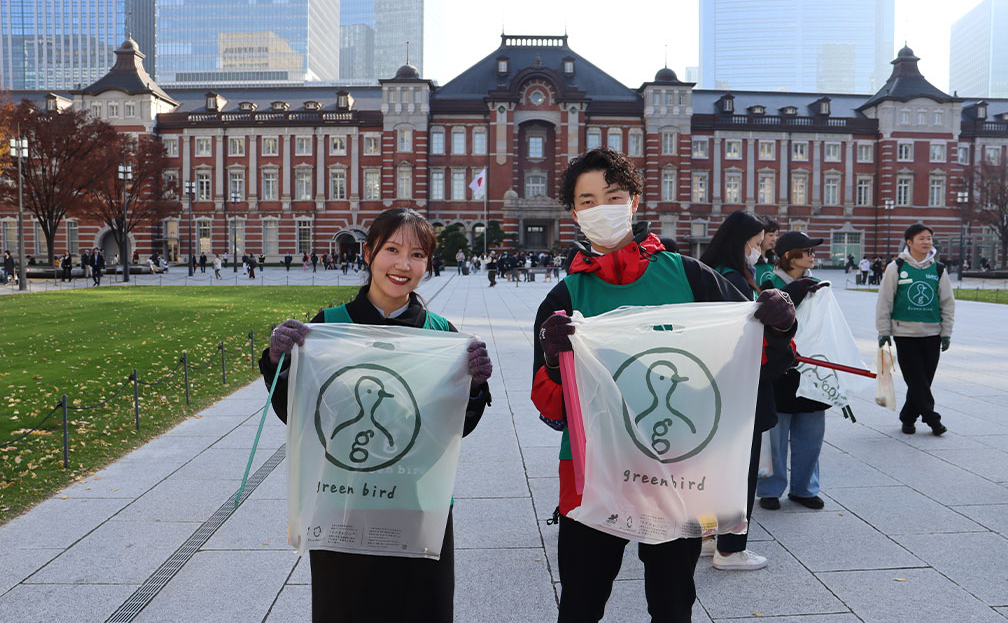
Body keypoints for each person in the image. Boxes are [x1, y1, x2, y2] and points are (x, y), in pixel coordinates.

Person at [532, 149, 797, 622]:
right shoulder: (566, 297)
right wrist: (554, 366)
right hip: (593, 472)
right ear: (573, 213)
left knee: (673, 601)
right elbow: (553, 412)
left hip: (677, 468)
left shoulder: (690, 276)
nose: (601, 209)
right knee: (580, 602)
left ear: (634, 202)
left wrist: (778, 324)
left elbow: (750, 349)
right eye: (587, 200)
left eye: (612, 196)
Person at [260, 208, 493, 623]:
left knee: (422, 608)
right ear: (368, 253)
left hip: (418, 502)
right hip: (343, 499)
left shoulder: (440, 333)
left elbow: (456, 428)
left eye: (418, 254)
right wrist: (279, 360)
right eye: (392, 249)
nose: (404, 265)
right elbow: (295, 413)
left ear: (429, 263)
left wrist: (473, 388)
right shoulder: (328, 328)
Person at [698, 211, 817, 570]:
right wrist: (789, 301)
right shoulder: (733, 278)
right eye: (754, 243)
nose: (758, 250)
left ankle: (706, 535)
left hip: (713, 387)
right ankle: (731, 548)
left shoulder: (709, 273)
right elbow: (754, 333)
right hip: (741, 387)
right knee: (740, 470)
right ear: (741, 243)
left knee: (713, 465)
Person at [757, 231, 831, 512]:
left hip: (812, 368)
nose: (813, 255)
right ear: (789, 256)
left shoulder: (818, 284)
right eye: (807, 250)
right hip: (780, 369)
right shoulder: (767, 283)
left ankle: (805, 488)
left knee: (811, 433)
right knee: (776, 434)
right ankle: (770, 488)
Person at [876, 223, 955, 436]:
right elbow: (885, 301)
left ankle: (908, 418)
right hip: (905, 334)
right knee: (916, 379)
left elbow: (947, 303)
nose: (926, 242)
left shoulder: (938, 269)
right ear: (909, 242)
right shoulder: (897, 267)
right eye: (921, 238)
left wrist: (946, 332)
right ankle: (932, 419)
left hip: (932, 334)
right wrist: (883, 330)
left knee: (923, 381)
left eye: (929, 238)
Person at [753, 218, 780, 287]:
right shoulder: (751, 261)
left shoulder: (774, 262)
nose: (774, 239)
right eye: (771, 235)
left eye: (776, 235)